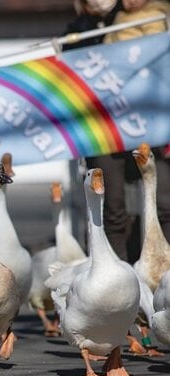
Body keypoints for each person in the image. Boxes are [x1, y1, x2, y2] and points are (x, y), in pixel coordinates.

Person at [63, 0, 170, 262]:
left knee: (165, 204)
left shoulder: (163, 22)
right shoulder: (90, 29)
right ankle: (116, 273)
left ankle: (165, 270)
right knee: (112, 210)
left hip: (156, 128)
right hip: (108, 129)